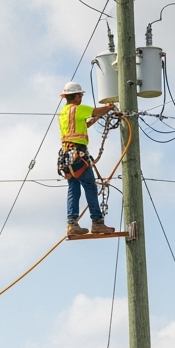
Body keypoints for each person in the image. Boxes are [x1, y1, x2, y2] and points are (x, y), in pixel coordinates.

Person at [57, 81, 115, 236]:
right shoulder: (78, 109)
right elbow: (96, 111)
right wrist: (109, 107)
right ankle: (97, 222)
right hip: (78, 154)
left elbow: (82, 125)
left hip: (66, 157)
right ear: (76, 96)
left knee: (73, 188)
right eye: (80, 95)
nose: (81, 97)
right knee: (90, 187)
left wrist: (94, 120)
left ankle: (72, 224)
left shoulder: (64, 112)